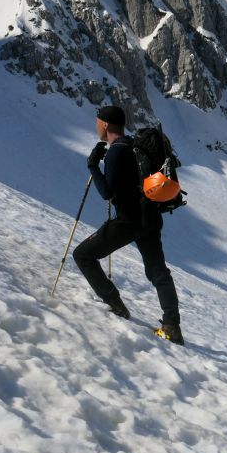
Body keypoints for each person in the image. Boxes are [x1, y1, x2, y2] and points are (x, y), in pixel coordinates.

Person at [72, 105, 184, 345]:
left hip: (129, 221)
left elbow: (107, 192)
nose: (96, 126)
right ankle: (172, 327)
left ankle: (115, 303)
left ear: (105, 125)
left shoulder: (116, 152)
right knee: (158, 272)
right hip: (150, 217)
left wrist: (93, 165)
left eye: (97, 121)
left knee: (83, 255)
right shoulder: (134, 146)